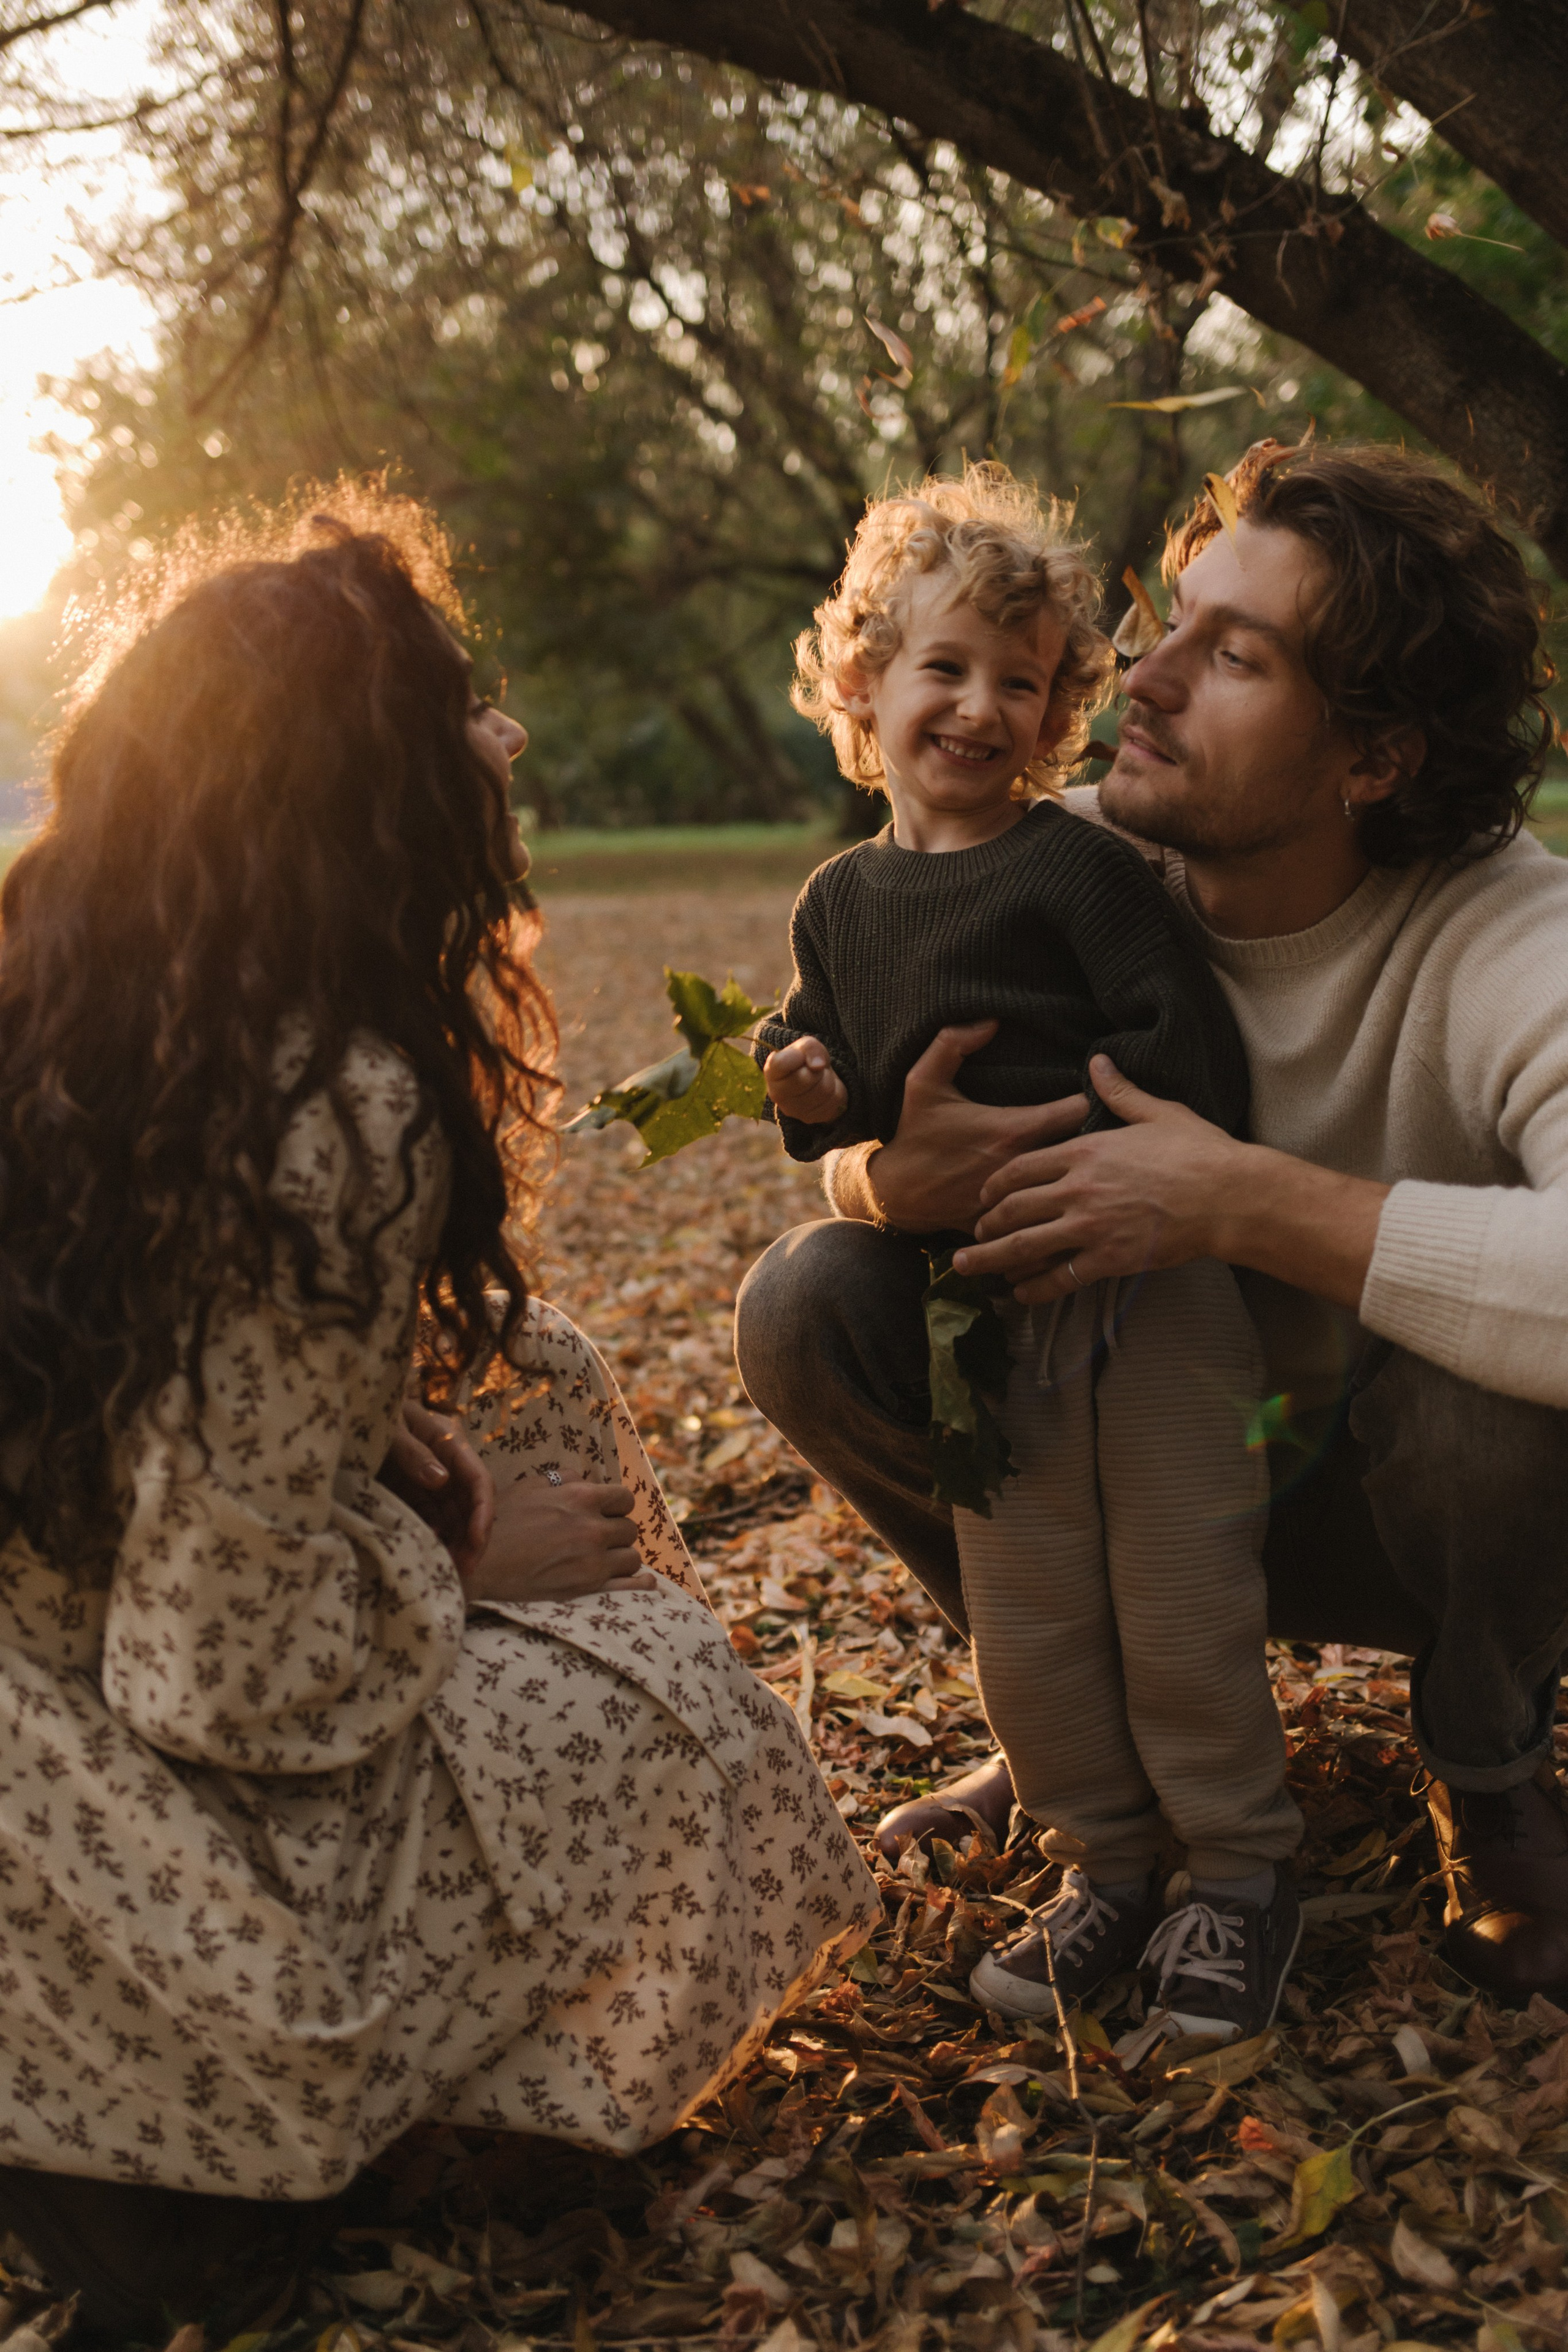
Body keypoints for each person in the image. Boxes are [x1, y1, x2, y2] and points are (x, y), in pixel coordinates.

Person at [0, 488, 878, 2335]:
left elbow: (149, 1410)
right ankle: (176, 2115)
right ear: (362, 792)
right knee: (679, 1718)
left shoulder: (77, 996)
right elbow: (215, 1671)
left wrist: (353, 1447)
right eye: (461, 706)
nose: (508, 737)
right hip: (69, 1796)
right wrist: (458, 1556)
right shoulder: (326, 1101)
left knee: (531, 1371)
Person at [737, 437, 1568, 2010]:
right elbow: (868, 1115)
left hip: (1380, 1500)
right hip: (1085, 1430)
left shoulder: (1508, 935)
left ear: (1372, 758)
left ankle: (1485, 1754)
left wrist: (1238, 1201)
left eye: (1232, 654)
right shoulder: (1063, 861)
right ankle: (1077, 1737)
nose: (1141, 679)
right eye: (1167, 621)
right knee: (813, 1299)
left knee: (1492, 1406)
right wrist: (877, 1180)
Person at [757, 465, 1302, 2040]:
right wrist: (808, 1091)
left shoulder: (1074, 869)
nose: (983, 707)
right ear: (862, 682)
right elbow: (835, 1069)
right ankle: (1107, 1862)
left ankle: (1238, 1874)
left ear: (1059, 707)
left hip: (1147, 1286)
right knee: (1030, 1608)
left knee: (1180, 1582)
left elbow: (1181, 1045)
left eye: (1023, 680)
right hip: (978, 1315)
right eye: (945, 668)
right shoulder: (838, 901)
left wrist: (1110, 1148)